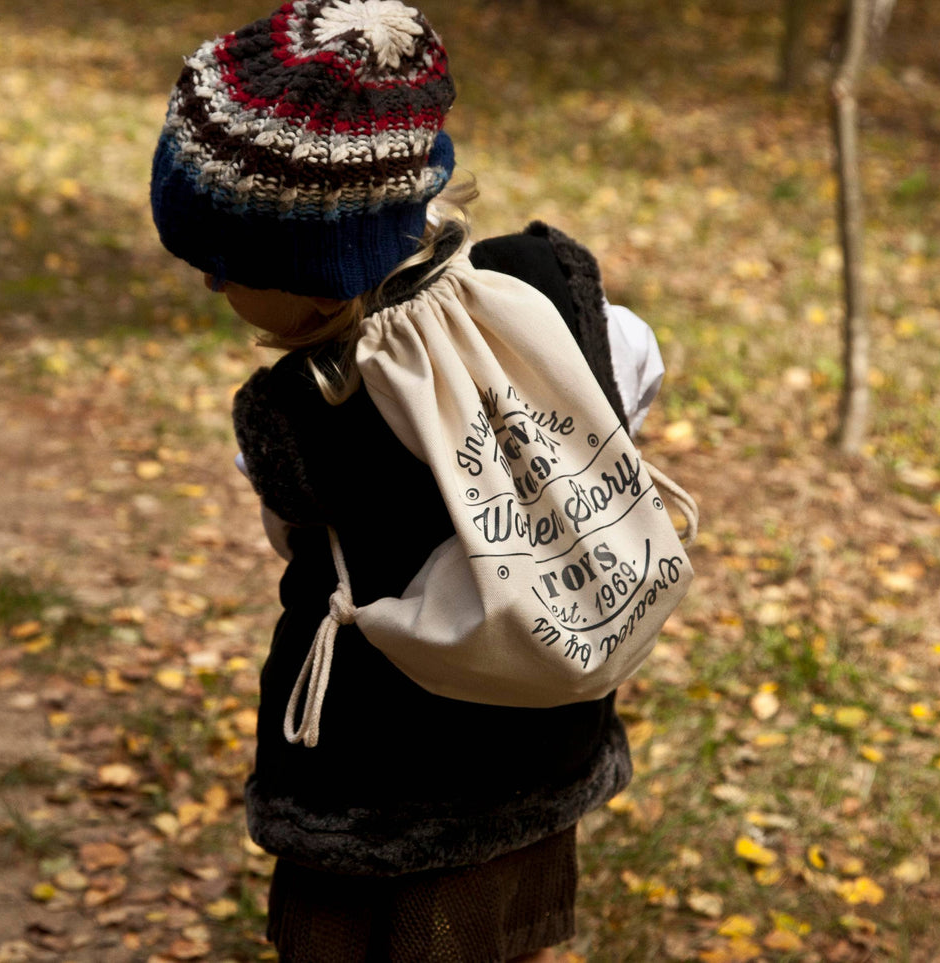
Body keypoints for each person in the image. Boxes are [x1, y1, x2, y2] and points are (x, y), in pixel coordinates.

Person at [149, 3, 665, 960]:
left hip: (381, 788)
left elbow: (292, 538)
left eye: (221, 267)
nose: (215, 288)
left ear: (315, 277)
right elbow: (625, 391)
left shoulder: (297, 413)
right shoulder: (558, 289)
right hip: (542, 737)